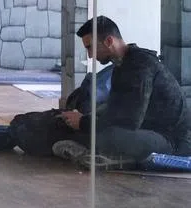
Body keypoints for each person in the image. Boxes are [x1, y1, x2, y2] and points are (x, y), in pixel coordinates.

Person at [53, 16, 191, 168]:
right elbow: (114, 111)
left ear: (109, 41)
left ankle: (97, 154)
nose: (90, 55)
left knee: (109, 135)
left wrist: (83, 122)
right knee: (94, 126)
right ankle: (101, 153)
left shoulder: (140, 66)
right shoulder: (122, 66)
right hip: (148, 131)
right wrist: (83, 118)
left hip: (173, 142)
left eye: (90, 47)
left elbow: (129, 121)